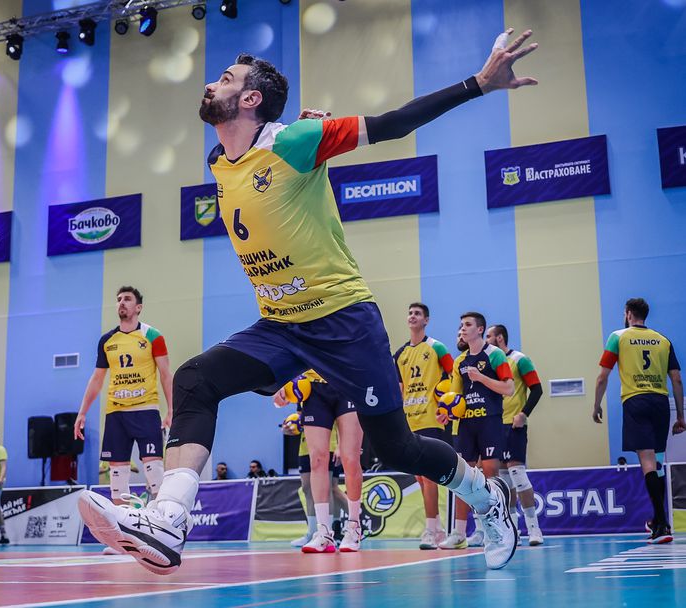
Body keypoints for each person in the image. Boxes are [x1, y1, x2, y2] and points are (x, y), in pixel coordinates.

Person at [79, 28, 538, 574]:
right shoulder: (220, 160)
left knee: (397, 449)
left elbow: (392, 123)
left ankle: (488, 499)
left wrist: (479, 84)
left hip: (344, 321)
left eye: (224, 79)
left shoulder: (294, 141)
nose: (210, 84)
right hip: (282, 326)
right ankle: (169, 519)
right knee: (196, 379)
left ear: (251, 98)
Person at [593, 297, 684, 544]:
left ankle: (662, 526)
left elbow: (602, 377)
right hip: (661, 403)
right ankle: (658, 520)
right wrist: (680, 415)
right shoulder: (663, 340)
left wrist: (596, 405)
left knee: (647, 462)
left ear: (628, 313)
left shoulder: (618, 337)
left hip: (636, 401)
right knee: (658, 462)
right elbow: (676, 379)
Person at [75, 286, 173, 507]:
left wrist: (171, 410)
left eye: (127, 299)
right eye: (119, 299)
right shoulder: (107, 340)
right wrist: (82, 412)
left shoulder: (152, 336)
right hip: (116, 413)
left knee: (154, 470)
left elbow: (166, 375)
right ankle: (122, 526)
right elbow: (97, 379)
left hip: (146, 410)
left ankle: (162, 518)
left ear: (138, 307)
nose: (121, 302)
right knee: (117, 477)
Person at [439, 312, 514, 550]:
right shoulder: (459, 361)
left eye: (467, 325)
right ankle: (459, 533)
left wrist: (481, 378)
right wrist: (446, 411)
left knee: (490, 473)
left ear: (480, 329)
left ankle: (494, 528)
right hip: (466, 425)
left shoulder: (495, 354)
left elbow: (509, 388)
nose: (462, 328)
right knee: (462, 477)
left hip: (489, 421)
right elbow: (455, 397)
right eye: (461, 325)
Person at [275, 371, 363, 553]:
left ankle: (354, 527)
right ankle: (323, 532)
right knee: (316, 461)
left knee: (351, 458)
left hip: (347, 380)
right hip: (313, 388)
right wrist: (280, 386)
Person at [393, 302, 454, 550]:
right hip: (409, 419)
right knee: (419, 476)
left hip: (431, 418)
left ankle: (430, 530)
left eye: (417, 314)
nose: (412, 316)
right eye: (410, 313)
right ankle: (437, 527)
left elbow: (454, 377)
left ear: (426, 320)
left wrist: (447, 407)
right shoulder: (400, 354)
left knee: (428, 477)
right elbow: (398, 389)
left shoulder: (437, 347)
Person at [486, 324, 544, 546]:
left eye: (489, 336)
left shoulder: (520, 360)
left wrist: (523, 414)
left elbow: (537, 389)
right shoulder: (490, 363)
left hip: (514, 426)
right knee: (504, 481)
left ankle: (534, 529)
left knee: (518, 476)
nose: (486, 340)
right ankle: (513, 531)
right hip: (495, 426)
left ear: (500, 338)